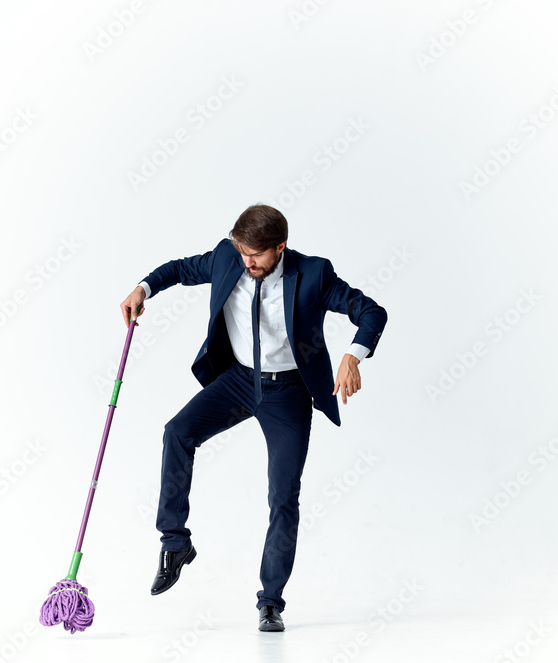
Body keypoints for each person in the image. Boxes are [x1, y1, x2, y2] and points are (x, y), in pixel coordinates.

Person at [119, 204, 387, 632]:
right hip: (239, 380)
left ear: (280, 247)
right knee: (177, 433)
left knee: (283, 496)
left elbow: (372, 311)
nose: (248, 262)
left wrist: (353, 355)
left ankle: (270, 602)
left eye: (257, 255)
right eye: (243, 251)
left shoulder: (314, 274)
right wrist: (142, 289)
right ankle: (175, 542)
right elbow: (179, 270)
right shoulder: (227, 257)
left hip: (288, 393)